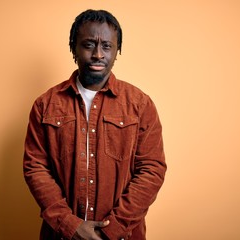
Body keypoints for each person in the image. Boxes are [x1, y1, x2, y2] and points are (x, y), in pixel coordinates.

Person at [23, 9, 166, 240]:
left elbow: (152, 169)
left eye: (107, 46)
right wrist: (69, 225)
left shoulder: (140, 105)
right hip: (61, 236)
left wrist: (113, 228)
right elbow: (35, 167)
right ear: (73, 48)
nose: (98, 54)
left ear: (117, 51)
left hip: (123, 236)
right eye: (88, 44)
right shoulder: (45, 104)